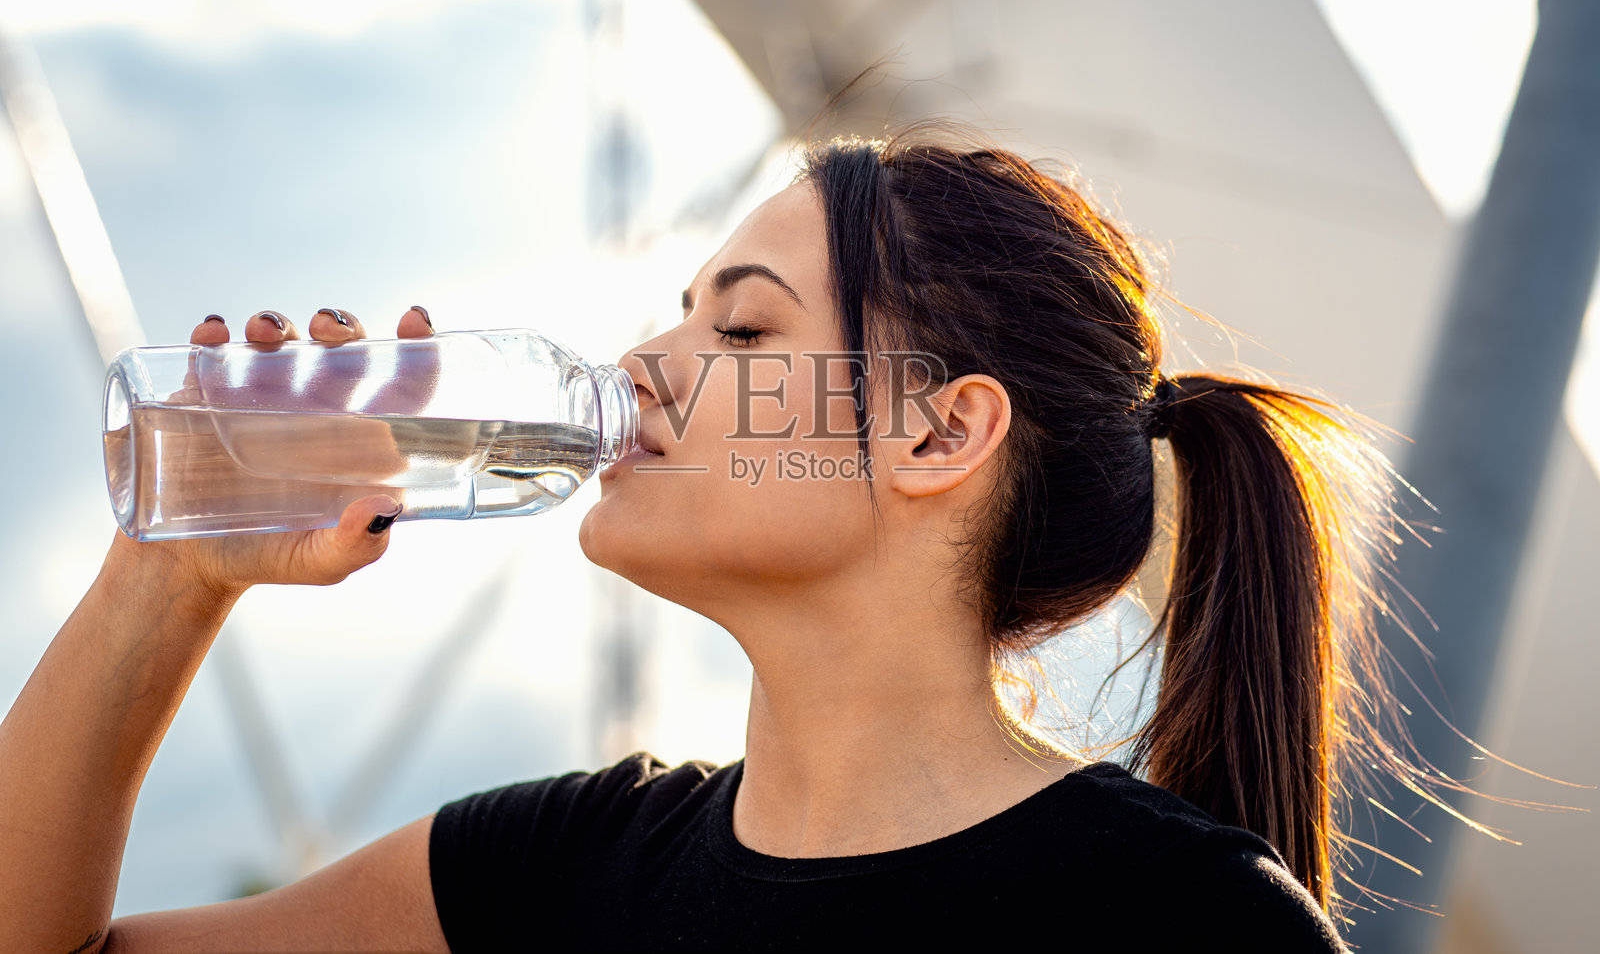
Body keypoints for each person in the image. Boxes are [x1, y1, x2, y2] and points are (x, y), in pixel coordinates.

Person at [0, 126, 1398, 951]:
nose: (642, 366)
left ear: (939, 433)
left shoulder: (1175, 921)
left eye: (740, 328)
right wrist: (172, 570)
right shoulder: (552, 871)